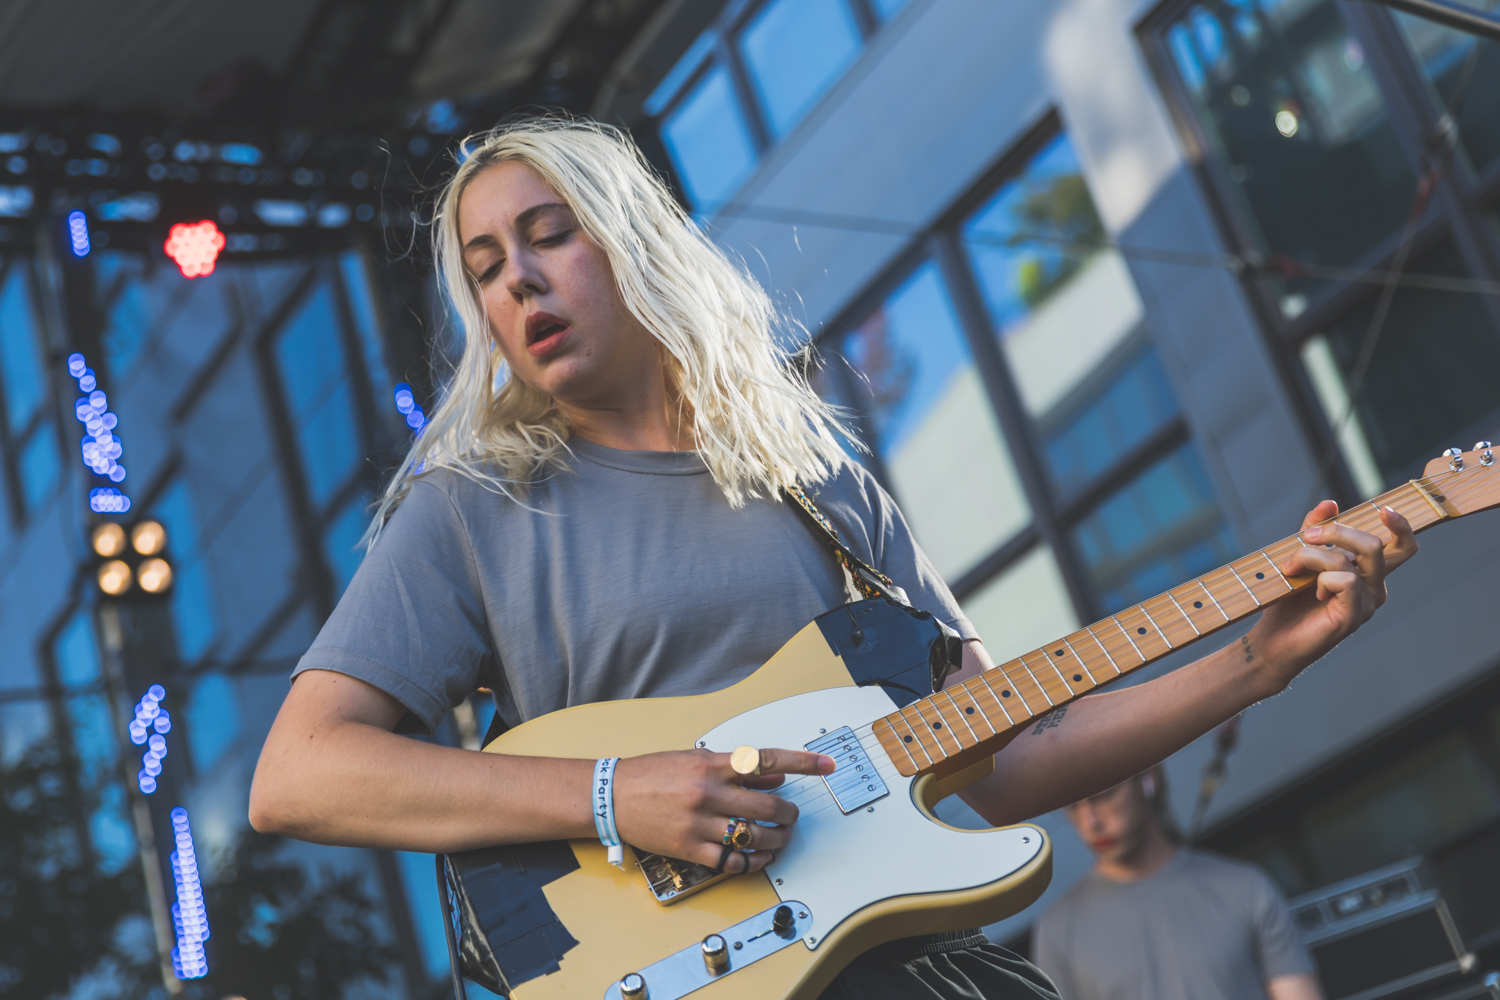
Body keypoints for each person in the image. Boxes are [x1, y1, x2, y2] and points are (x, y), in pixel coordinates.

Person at [248, 116, 1416, 1000]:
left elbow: (1009, 755)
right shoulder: (475, 510)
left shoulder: (816, 481)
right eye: (489, 265)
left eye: (550, 235)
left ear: (636, 242)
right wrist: (613, 792)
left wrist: (1259, 664)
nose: (518, 278)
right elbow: (298, 774)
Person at [1033, 767, 1322, 1000]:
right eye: (1072, 806)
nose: (1090, 821)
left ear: (1149, 778)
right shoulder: (1057, 929)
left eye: (1103, 795)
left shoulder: (1246, 887)